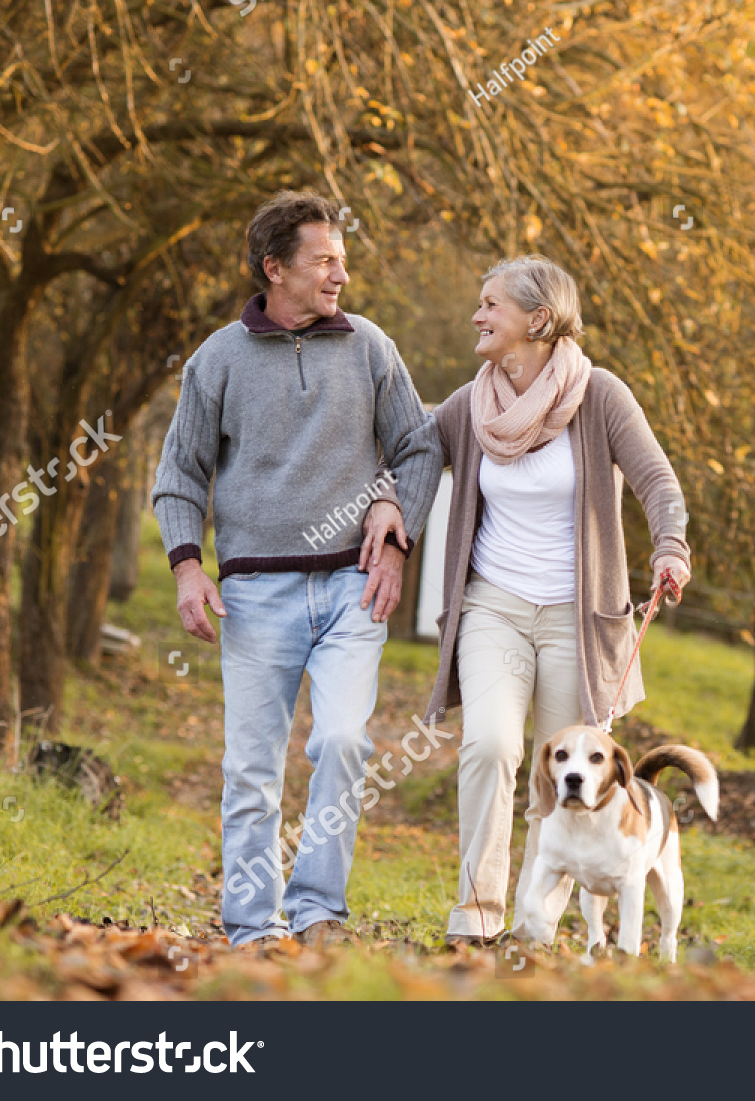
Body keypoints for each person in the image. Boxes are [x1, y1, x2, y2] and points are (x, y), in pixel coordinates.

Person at [364, 254, 691, 945]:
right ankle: (477, 916)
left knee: (565, 768)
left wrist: (670, 545)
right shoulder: (471, 403)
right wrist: (391, 511)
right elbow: (418, 454)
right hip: (494, 606)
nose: (476, 316)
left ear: (537, 320)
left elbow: (658, 481)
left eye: (491, 305)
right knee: (488, 744)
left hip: (580, 617)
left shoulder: (599, 395)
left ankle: (535, 919)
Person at [152, 190, 442, 949]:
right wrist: (188, 567)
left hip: (354, 585)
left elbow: (419, 447)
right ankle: (254, 927)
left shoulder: (372, 346)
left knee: (345, 741)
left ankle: (317, 911)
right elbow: (178, 474)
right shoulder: (216, 360)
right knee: (251, 769)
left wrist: (397, 523)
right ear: (274, 268)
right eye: (325, 260)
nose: (340, 274)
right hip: (253, 595)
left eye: (343, 260)